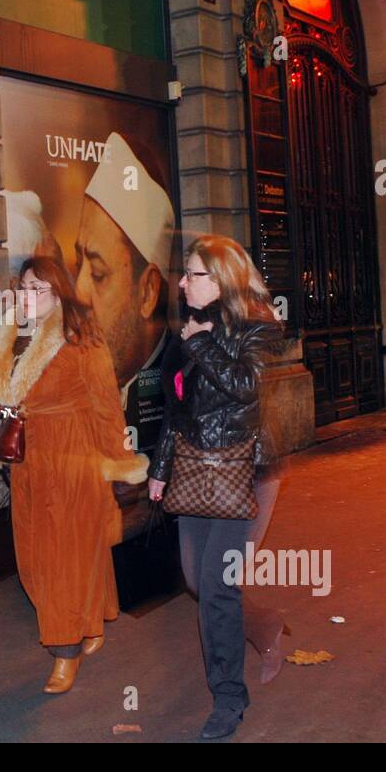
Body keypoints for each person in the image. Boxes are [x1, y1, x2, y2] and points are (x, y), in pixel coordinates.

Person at [0, 255, 149, 694]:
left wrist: (118, 465)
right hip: (30, 467)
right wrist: (7, 327)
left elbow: (107, 409)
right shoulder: (28, 339)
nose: (27, 296)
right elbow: (2, 392)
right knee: (35, 560)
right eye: (23, 288)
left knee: (61, 562)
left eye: (37, 289)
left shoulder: (83, 343)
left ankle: (65, 652)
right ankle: (89, 621)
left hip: (73, 463)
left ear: (59, 296)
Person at [147, 234, 284, 740]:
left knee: (218, 587)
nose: (181, 283)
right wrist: (160, 466)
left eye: (193, 275)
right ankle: (264, 625)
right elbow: (177, 411)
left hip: (244, 474)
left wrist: (201, 342)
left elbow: (247, 389)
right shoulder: (184, 332)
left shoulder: (258, 330)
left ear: (221, 279)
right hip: (194, 472)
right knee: (198, 583)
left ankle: (228, 698)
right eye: (184, 274)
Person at [72, 131, 174, 451]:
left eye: (98, 272)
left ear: (148, 292)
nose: (79, 292)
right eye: (79, 264)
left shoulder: (177, 370)